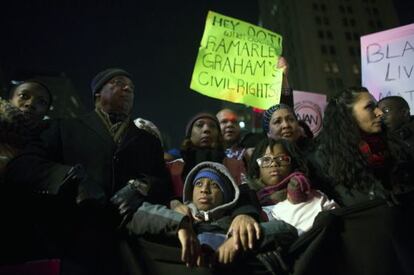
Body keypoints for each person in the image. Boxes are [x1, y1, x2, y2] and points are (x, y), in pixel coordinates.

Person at [5, 68, 172, 274]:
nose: (128, 88)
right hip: (71, 244)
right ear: (97, 94)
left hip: (128, 250)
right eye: (118, 83)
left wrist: (140, 187)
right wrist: (71, 177)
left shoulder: (149, 142)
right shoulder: (62, 128)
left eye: (132, 87)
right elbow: (22, 165)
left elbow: (163, 182)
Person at [126, 161, 298, 274]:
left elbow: (287, 231)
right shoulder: (173, 216)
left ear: (226, 195)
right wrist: (180, 224)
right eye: (198, 184)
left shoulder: (236, 222)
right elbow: (134, 215)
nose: (204, 189)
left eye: (214, 185)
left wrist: (236, 241)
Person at [314, 86, 413, 206]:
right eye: (369, 107)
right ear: (347, 114)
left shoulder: (395, 147)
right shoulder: (329, 159)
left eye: (376, 106)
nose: (379, 113)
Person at [247, 138, 336, 235]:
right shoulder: (251, 207)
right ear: (257, 169)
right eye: (266, 160)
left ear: (292, 164)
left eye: (281, 158)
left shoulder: (315, 196)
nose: (274, 163)